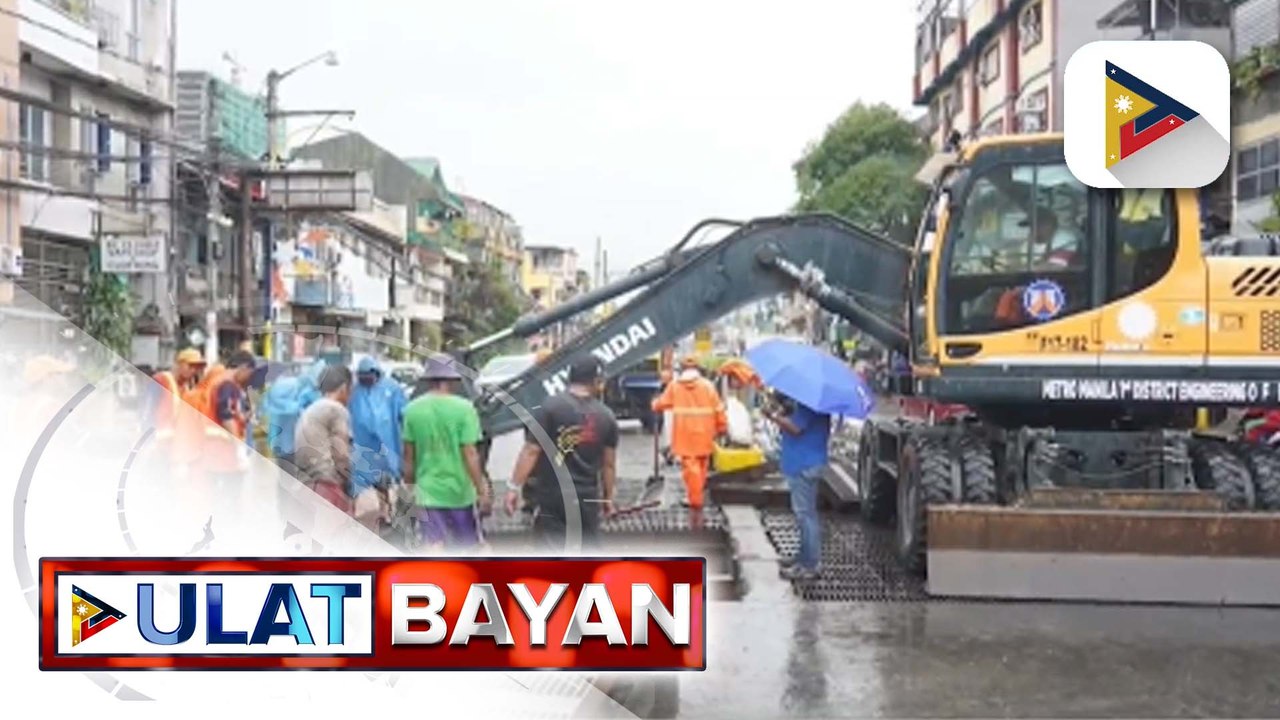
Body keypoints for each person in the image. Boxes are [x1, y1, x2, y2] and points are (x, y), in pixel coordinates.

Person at [506, 356, 619, 550]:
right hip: (587, 496)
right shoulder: (607, 416)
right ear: (595, 380)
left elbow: (531, 450)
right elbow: (608, 464)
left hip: (553, 494)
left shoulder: (549, 408)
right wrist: (608, 499)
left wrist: (513, 487)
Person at [401, 356, 491, 551]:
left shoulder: (412, 410)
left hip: (428, 491)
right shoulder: (465, 409)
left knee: (433, 545)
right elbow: (470, 453)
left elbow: (409, 456)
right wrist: (481, 489)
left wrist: (409, 487)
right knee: (469, 547)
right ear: (451, 380)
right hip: (460, 491)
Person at [764, 391, 831, 580]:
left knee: (805, 516)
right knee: (805, 515)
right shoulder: (815, 403)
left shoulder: (809, 403)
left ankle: (809, 565)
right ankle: (804, 558)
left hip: (804, 463)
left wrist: (774, 417)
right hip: (807, 461)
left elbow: (795, 428)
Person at [651, 357, 726, 518]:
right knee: (701, 467)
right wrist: (721, 427)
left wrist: (654, 403)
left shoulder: (675, 386)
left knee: (690, 470)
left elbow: (661, 404)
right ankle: (696, 496)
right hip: (705, 434)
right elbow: (719, 409)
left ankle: (695, 501)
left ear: (682, 369)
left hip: (684, 435)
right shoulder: (708, 386)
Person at [348, 357, 407, 532]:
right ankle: (351, 514)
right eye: (362, 375)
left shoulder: (392, 388)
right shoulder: (354, 391)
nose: (365, 379)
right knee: (354, 481)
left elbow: (403, 412)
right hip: (361, 443)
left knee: (383, 480)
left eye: (368, 375)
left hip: (386, 442)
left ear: (376, 373)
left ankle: (385, 512)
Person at [204, 351, 259, 519]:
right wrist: (240, 451)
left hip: (219, 455)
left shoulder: (225, 383)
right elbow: (226, 416)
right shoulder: (227, 384)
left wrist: (246, 417)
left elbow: (232, 414)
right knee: (228, 503)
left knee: (225, 501)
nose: (249, 378)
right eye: (250, 373)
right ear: (243, 368)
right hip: (223, 455)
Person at [294, 365, 355, 513]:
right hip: (327, 483)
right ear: (344, 388)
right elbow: (341, 454)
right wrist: (347, 485)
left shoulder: (313, 408)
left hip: (306, 482)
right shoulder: (336, 409)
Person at [151, 348, 206, 468]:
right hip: (158, 447)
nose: (194, 371)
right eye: (190, 366)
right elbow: (147, 411)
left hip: (175, 448)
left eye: (196, 368)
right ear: (180, 364)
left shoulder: (186, 389)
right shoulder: (162, 380)